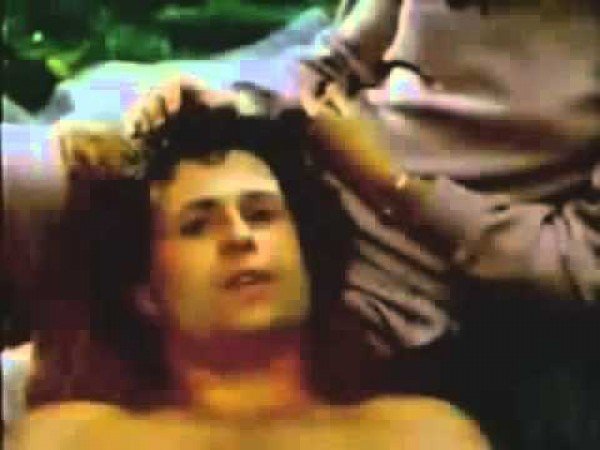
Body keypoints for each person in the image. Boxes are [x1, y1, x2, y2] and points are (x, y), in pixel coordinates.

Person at [8, 84, 490, 450]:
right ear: (146, 293)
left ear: (307, 257)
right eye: (197, 226)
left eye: (261, 215)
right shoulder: (71, 439)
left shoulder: (424, 435)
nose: (240, 237)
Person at [298, 0, 599, 449]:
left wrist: (392, 184)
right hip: (299, 181)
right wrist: (239, 109)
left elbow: (579, 262)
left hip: (397, 280)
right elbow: (329, 64)